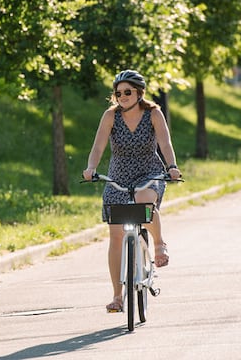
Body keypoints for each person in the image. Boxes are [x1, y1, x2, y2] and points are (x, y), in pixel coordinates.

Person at [81, 70, 182, 313]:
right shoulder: (110, 116)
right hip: (118, 175)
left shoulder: (153, 113)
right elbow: (98, 145)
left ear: (139, 92)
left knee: (145, 203)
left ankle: (158, 244)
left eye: (128, 92)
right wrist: (91, 168)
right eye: (118, 93)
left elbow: (165, 143)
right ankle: (117, 296)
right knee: (115, 235)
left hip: (149, 171)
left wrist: (172, 167)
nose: (122, 96)